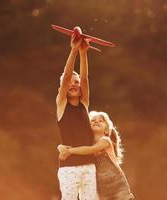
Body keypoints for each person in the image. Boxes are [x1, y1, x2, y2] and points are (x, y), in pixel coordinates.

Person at [56, 34, 97, 200]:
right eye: (70, 83)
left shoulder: (84, 104)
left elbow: (85, 79)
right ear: (63, 87)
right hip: (68, 167)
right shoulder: (61, 104)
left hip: (89, 165)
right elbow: (66, 77)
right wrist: (73, 50)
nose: (73, 84)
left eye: (76, 82)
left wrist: (83, 52)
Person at [58, 111, 134, 200]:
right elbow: (78, 147)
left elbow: (91, 150)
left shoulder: (106, 141)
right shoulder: (87, 144)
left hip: (118, 186)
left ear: (106, 130)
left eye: (101, 121)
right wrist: (61, 146)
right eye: (93, 120)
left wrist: (70, 151)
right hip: (101, 189)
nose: (96, 122)